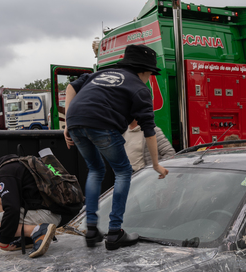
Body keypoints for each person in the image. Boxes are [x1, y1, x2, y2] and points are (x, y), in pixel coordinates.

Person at [64, 44, 169, 250]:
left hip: (76, 120)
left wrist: (68, 122)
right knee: (123, 172)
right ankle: (115, 232)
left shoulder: (101, 74)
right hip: (102, 124)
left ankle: (91, 229)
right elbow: (149, 131)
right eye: (150, 74)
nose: (149, 79)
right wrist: (156, 164)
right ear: (144, 71)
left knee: (96, 169)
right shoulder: (140, 88)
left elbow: (71, 87)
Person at [0, 157, 60, 259]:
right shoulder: (13, 164)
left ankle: (37, 230)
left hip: (45, 215)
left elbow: (12, 209)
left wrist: (4, 239)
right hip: (53, 212)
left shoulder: (3, 177)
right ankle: (29, 236)